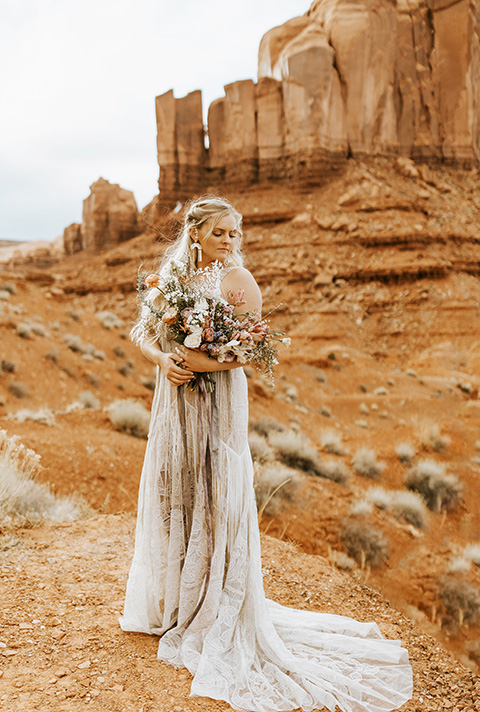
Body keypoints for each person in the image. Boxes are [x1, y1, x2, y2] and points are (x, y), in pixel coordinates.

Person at [120, 194, 413, 712]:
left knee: (215, 494)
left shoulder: (240, 283)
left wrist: (195, 363)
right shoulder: (170, 281)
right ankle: (175, 601)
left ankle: (212, 609)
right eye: (221, 233)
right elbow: (142, 332)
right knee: (176, 488)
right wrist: (164, 361)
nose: (231, 242)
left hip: (217, 402)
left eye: (236, 233)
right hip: (175, 398)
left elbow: (246, 354)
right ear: (196, 235)